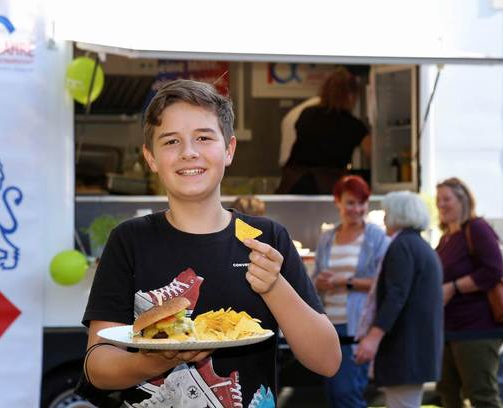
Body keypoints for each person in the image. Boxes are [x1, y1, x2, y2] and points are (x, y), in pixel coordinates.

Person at [78, 79, 341, 407]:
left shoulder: (266, 240)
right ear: (151, 157)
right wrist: (160, 360)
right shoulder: (130, 240)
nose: (189, 152)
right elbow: (97, 366)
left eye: (203, 137)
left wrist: (273, 286)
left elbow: (327, 361)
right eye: (171, 141)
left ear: (229, 149)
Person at [355, 191, 443, 408]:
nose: (384, 218)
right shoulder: (419, 246)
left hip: (405, 351)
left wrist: (373, 338)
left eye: (387, 212)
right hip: (416, 350)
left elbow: (396, 295)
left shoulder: (402, 246)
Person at [312, 175, 389, 408]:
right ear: (338, 202)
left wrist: (346, 281)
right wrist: (320, 282)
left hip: (358, 327)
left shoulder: (375, 236)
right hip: (328, 326)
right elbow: (315, 278)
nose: (357, 209)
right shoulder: (327, 238)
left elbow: (384, 281)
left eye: (361, 203)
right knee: (334, 394)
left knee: (348, 394)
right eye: (350, 202)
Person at [434, 177, 503, 408]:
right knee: (448, 393)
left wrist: (454, 287)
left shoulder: (476, 228)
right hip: (449, 329)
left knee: (481, 394)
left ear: (462, 200)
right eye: (438, 200)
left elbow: (493, 270)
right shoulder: (445, 238)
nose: (441, 204)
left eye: (447, 199)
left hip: (477, 328)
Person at [276, 67, 371, 194]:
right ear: (350, 96)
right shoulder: (353, 125)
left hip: (293, 183)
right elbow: (373, 152)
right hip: (327, 187)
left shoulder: (307, 114)